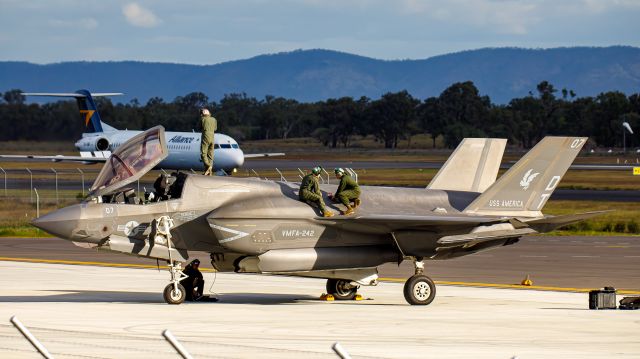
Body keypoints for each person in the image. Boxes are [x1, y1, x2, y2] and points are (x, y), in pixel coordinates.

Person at [200, 108, 217, 176]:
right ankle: (208, 171)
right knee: (210, 155)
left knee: (203, 154)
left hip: (205, 138)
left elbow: (200, 127)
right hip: (212, 138)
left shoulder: (203, 119)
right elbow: (215, 128)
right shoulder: (214, 119)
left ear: (203, 114)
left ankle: (208, 165)